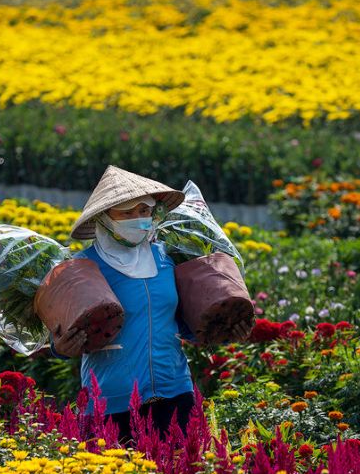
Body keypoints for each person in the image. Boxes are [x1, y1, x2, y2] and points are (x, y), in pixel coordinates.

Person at [50, 165, 248, 445]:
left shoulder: (166, 258)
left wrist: (223, 329)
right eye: (127, 213)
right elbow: (59, 332)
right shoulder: (84, 267)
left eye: (144, 211)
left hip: (175, 390)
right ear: (104, 218)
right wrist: (59, 348)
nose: (138, 219)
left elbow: (182, 322)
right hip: (113, 399)